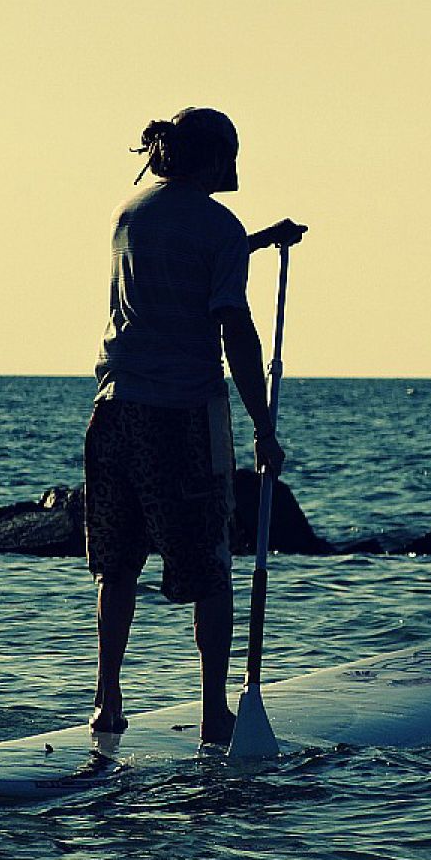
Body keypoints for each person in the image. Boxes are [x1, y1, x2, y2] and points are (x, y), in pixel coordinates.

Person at [84, 107, 307, 745]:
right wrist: (263, 425)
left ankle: (107, 700)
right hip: (182, 418)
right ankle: (214, 711)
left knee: (118, 562)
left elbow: (179, 258)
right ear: (215, 157)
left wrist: (255, 243)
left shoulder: (130, 212)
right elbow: (233, 328)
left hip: (113, 411)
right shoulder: (219, 227)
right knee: (210, 564)